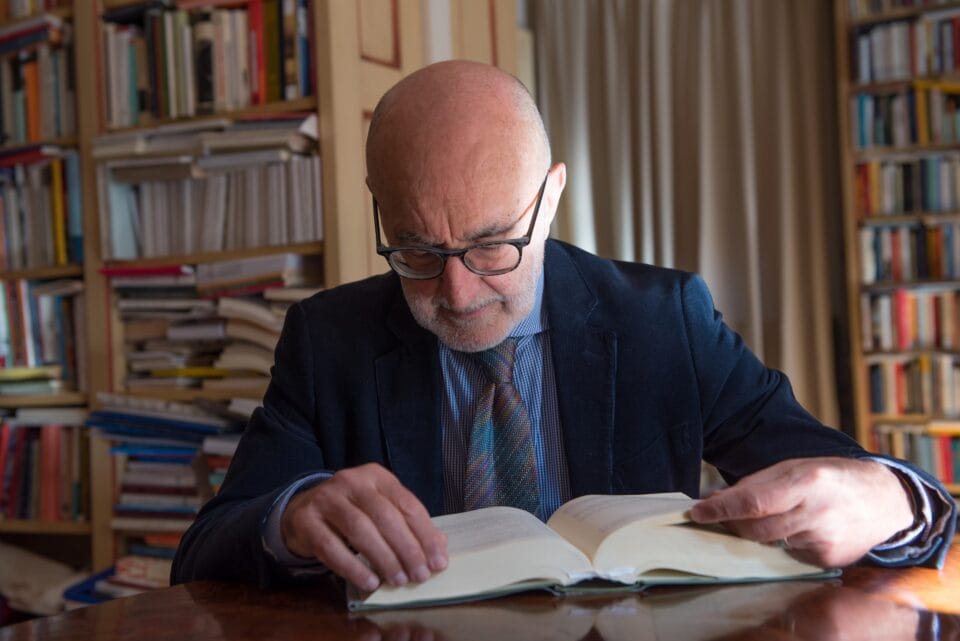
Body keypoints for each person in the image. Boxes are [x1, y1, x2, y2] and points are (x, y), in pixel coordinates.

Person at [172, 60, 956, 591]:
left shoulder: (665, 320)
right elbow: (204, 554)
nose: (456, 291)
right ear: (380, 209)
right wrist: (292, 516)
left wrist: (892, 501)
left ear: (550, 199)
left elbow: (851, 483)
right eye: (416, 250)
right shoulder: (326, 340)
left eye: (491, 245)